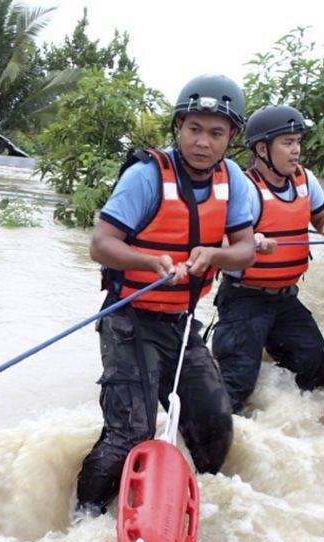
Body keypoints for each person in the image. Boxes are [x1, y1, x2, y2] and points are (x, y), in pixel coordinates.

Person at [76, 74, 257, 514]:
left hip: (180, 323)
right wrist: (150, 262)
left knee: (216, 423)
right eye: (194, 129)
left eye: (216, 133)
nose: (203, 142)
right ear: (178, 127)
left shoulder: (231, 179)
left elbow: (246, 252)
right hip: (128, 321)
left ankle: (197, 502)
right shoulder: (145, 176)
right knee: (129, 435)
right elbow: (101, 244)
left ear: (231, 138)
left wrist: (215, 253)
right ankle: (84, 521)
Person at [210, 104, 324, 413]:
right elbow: (218, 238)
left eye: (298, 141)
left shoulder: (304, 179)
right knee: (235, 387)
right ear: (261, 148)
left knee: (317, 373)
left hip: (285, 300)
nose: (296, 150)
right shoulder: (244, 186)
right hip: (244, 300)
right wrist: (250, 240)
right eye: (287, 143)